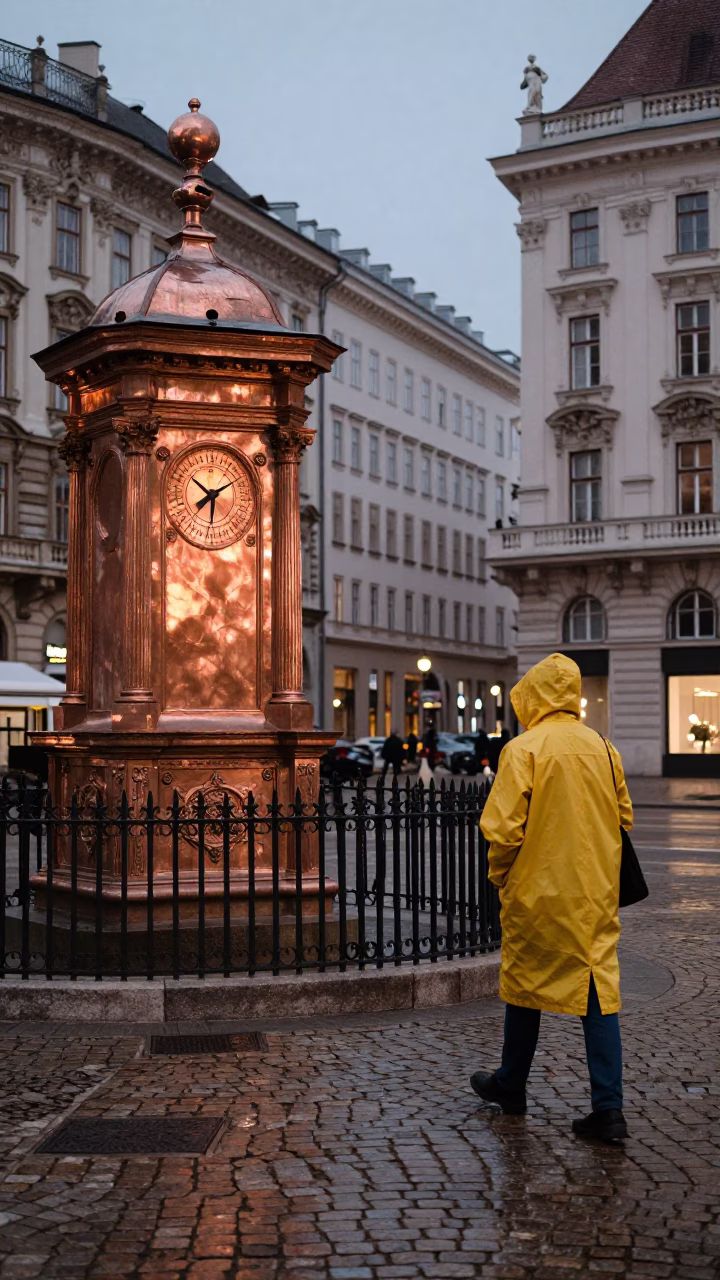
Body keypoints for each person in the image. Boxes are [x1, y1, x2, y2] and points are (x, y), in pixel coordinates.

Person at [472, 652, 633, 1143]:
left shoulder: (524, 749)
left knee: (523, 984)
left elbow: (503, 831)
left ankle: (511, 1084)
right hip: (594, 893)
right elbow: (624, 818)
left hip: (537, 891)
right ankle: (608, 1109)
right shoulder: (604, 748)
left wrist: (500, 876)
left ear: (534, 695)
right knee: (596, 990)